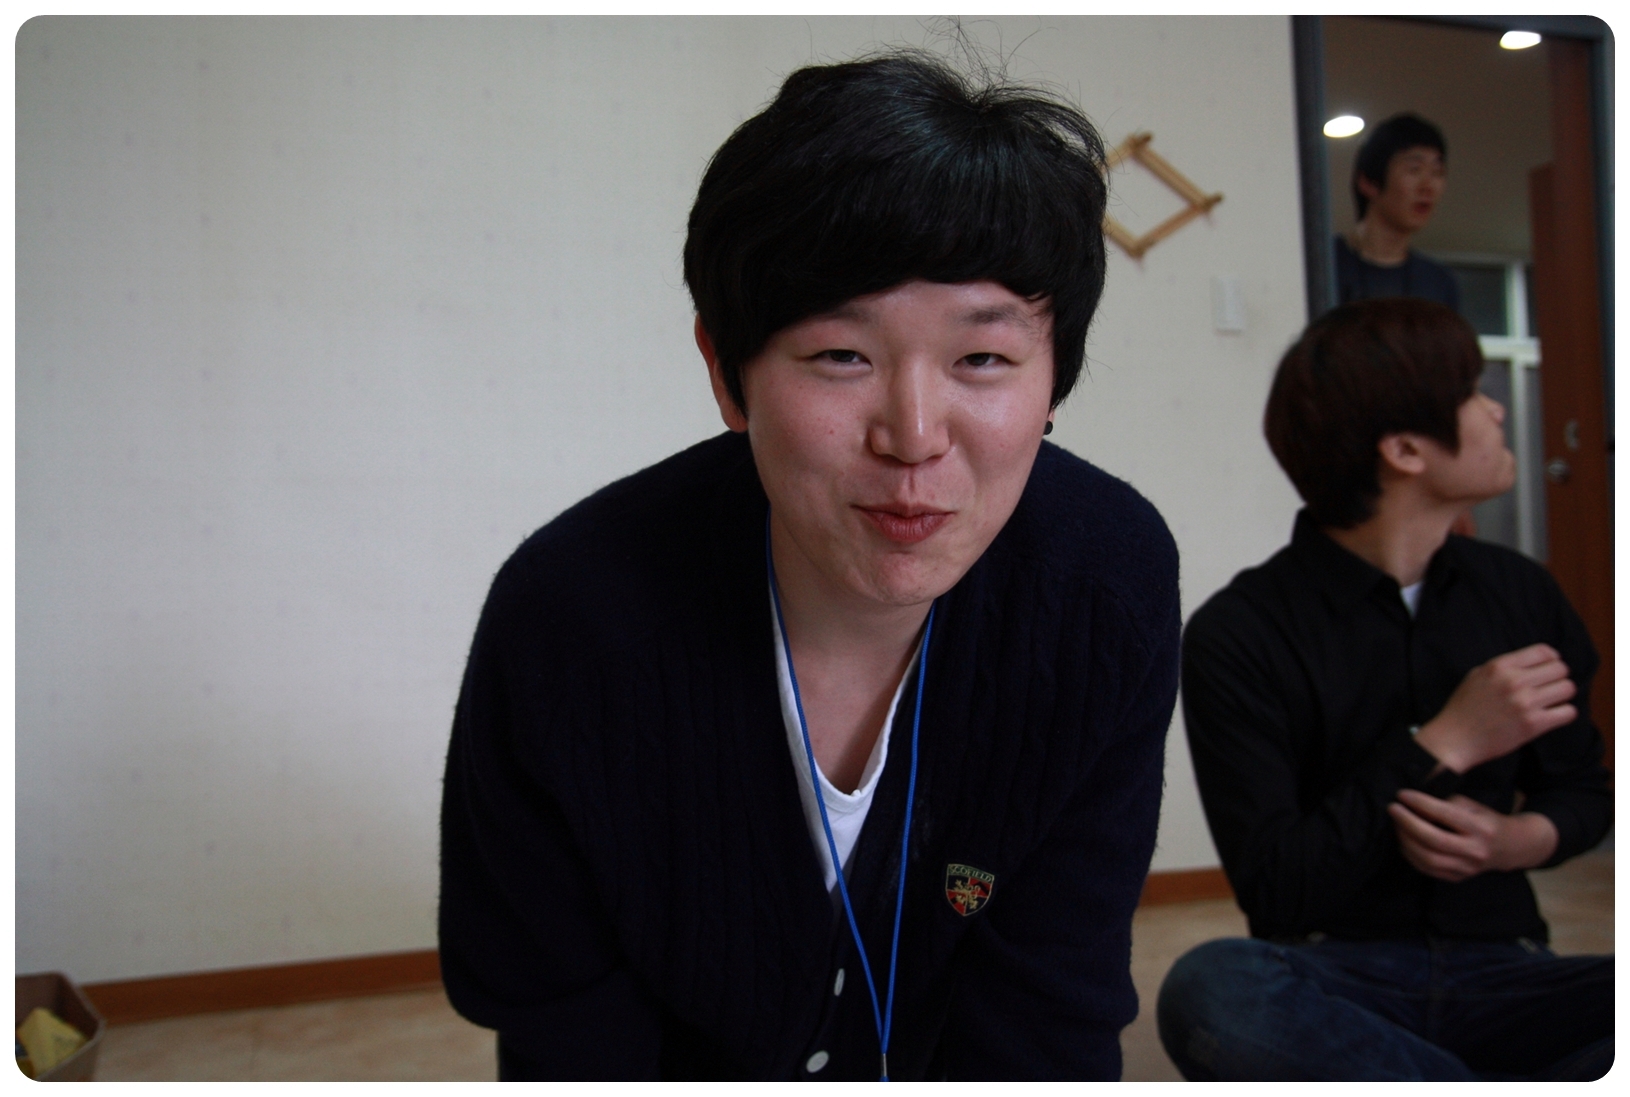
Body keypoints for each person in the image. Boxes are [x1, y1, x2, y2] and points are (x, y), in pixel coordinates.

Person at [439, 51, 1180, 1081]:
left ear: (1053, 379)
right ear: (726, 369)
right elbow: (566, 1030)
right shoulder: (571, 617)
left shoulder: (1102, 588)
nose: (913, 436)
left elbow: (1049, 1008)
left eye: (982, 359)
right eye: (842, 355)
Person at [1158, 298, 1612, 1081]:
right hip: (1335, 977)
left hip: (1508, 971)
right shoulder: (1240, 631)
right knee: (1211, 990)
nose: (1496, 409)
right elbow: (1278, 887)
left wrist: (1517, 840)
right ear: (1404, 449)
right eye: (1471, 391)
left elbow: (1583, 792)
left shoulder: (1520, 594)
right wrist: (1442, 742)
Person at [1335, 113, 1461, 312]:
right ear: (1368, 182)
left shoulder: (1438, 282)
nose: (1428, 186)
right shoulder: (1327, 264)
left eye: (1437, 172)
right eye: (1414, 170)